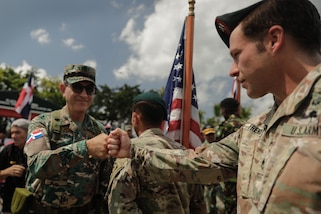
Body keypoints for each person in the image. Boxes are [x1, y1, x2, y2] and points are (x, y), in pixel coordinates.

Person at [107, 0, 321, 212]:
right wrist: (132, 150)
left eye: (237, 55)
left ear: (273, 40)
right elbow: (199, 162)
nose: (232, 71)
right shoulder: (255, 129)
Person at [24, 64, 113, 213]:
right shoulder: (42, 122)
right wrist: (85, 148)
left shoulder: (99, 130)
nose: (84, 95)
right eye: (77, 87)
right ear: (63, 90)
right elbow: (36, 165)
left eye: (89, 89)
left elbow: (104, 179)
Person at [108, 92, 206, 213]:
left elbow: (119, 207)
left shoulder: (129, 153)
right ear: (163, 122)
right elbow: (199, 206)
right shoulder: (185, 153)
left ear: (135, 118)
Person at [0, 118, 29, 213]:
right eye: (12, 133)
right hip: (10, 201)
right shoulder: (8, 150)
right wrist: (7, 172)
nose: (13, 136)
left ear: (28, 133)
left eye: (18, 133)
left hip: (32, 202)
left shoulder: (37, 150)